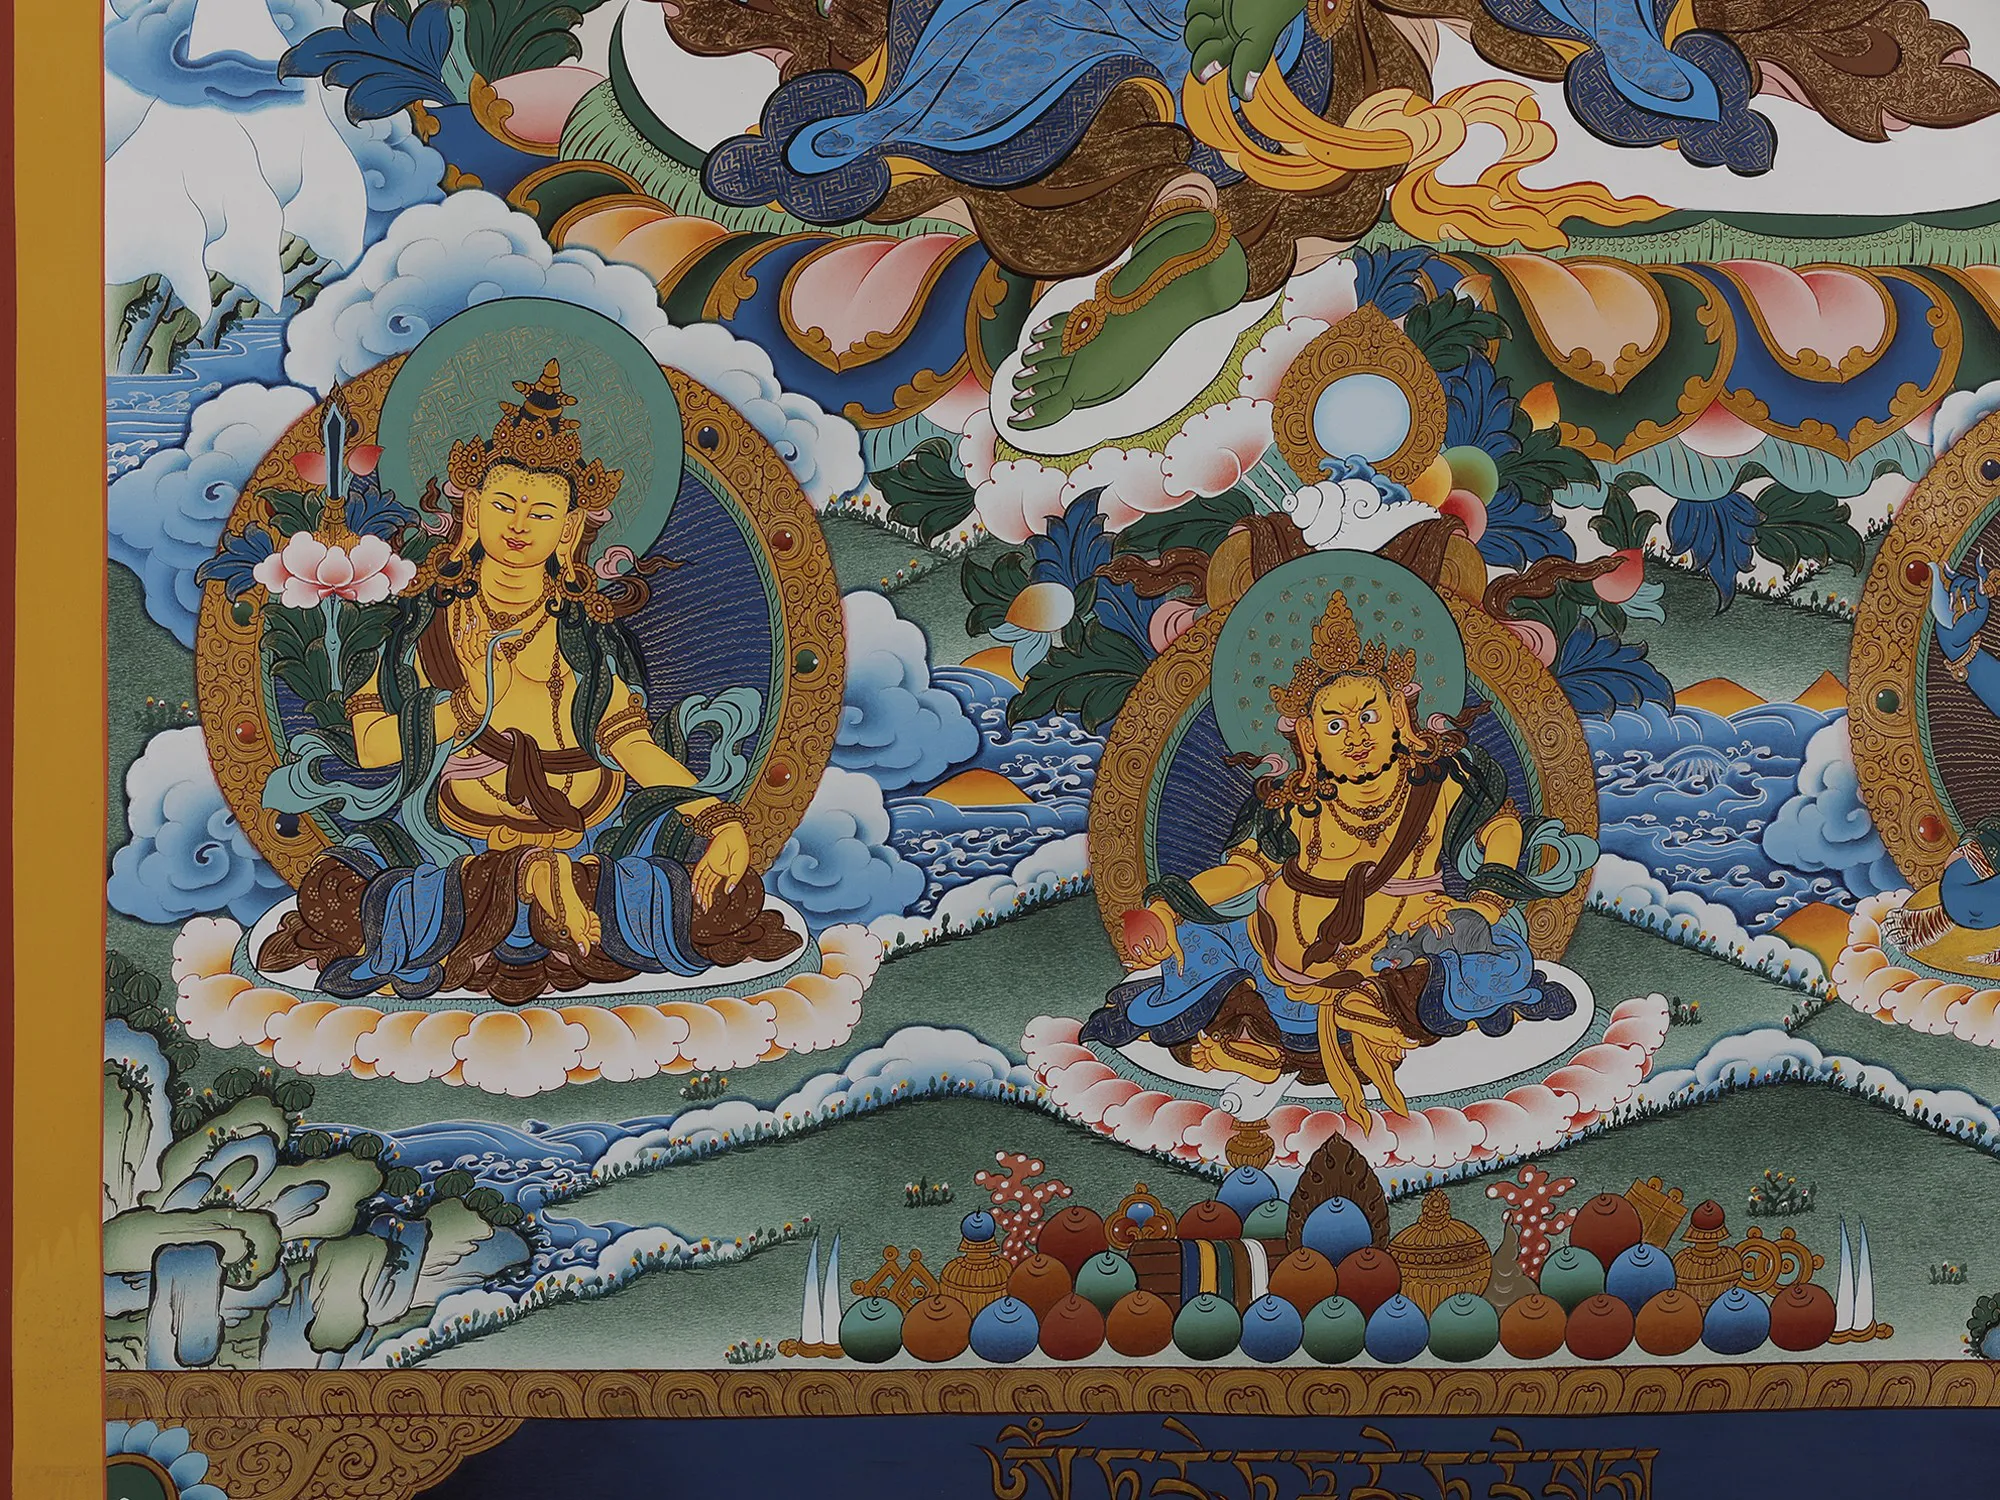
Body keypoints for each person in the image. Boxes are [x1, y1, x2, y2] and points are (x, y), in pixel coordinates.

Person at [257, 360, 800, 1003]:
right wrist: (463, 709)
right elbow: (373, 747)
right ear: (471, 510)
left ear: (569, 530)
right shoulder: (424, 626)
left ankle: (528, 887)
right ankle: (528, 885)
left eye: (541, 512)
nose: (519, 525)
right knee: (332, 893)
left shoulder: (588, 638)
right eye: (504, 505)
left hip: (593, 829)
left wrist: (717, 818)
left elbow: (631, 746)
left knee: (732, 894)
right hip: (451, 837)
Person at [1081, 588, 1571, 1128]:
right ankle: (1270, 1039)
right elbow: (1245, 870)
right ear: (1309, 738)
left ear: (1399, 716)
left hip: (1397, 943)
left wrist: (1485, 904)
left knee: (1491, 958)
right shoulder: (1295, 801)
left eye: (1369, 716)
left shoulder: (1441, 779)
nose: (1355, 736)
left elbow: (1502, 827)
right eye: (1335, 724)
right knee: (1199, 946)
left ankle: (1336, 1023)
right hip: (1279, 945)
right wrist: (1168, 907)